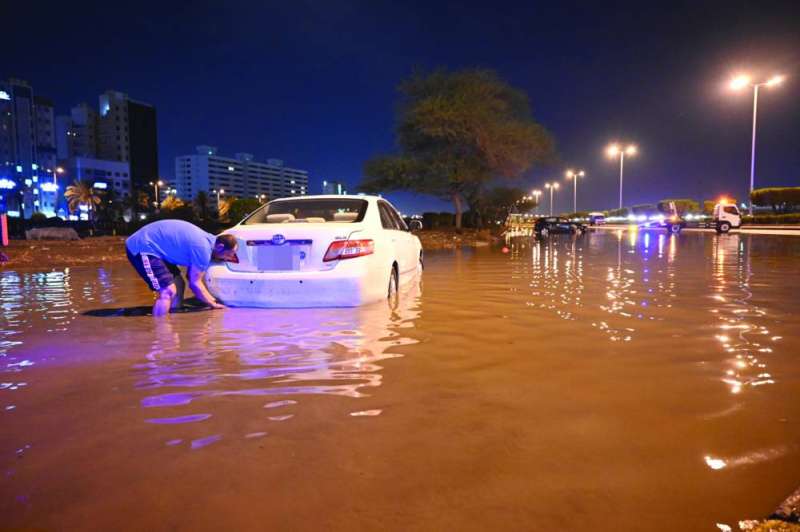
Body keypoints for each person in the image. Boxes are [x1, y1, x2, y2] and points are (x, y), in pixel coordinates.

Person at [125, 219, 239, 316]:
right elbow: (195, 283)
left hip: (157, 249)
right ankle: (160, 330)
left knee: (179, 284)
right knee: (168, 290)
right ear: (220, 247)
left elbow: (190, 277)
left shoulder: (207, 241)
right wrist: (213, 303)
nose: (229, 258)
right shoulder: (203, 249)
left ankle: (173, 316)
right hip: (143, 246)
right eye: (229, 254)